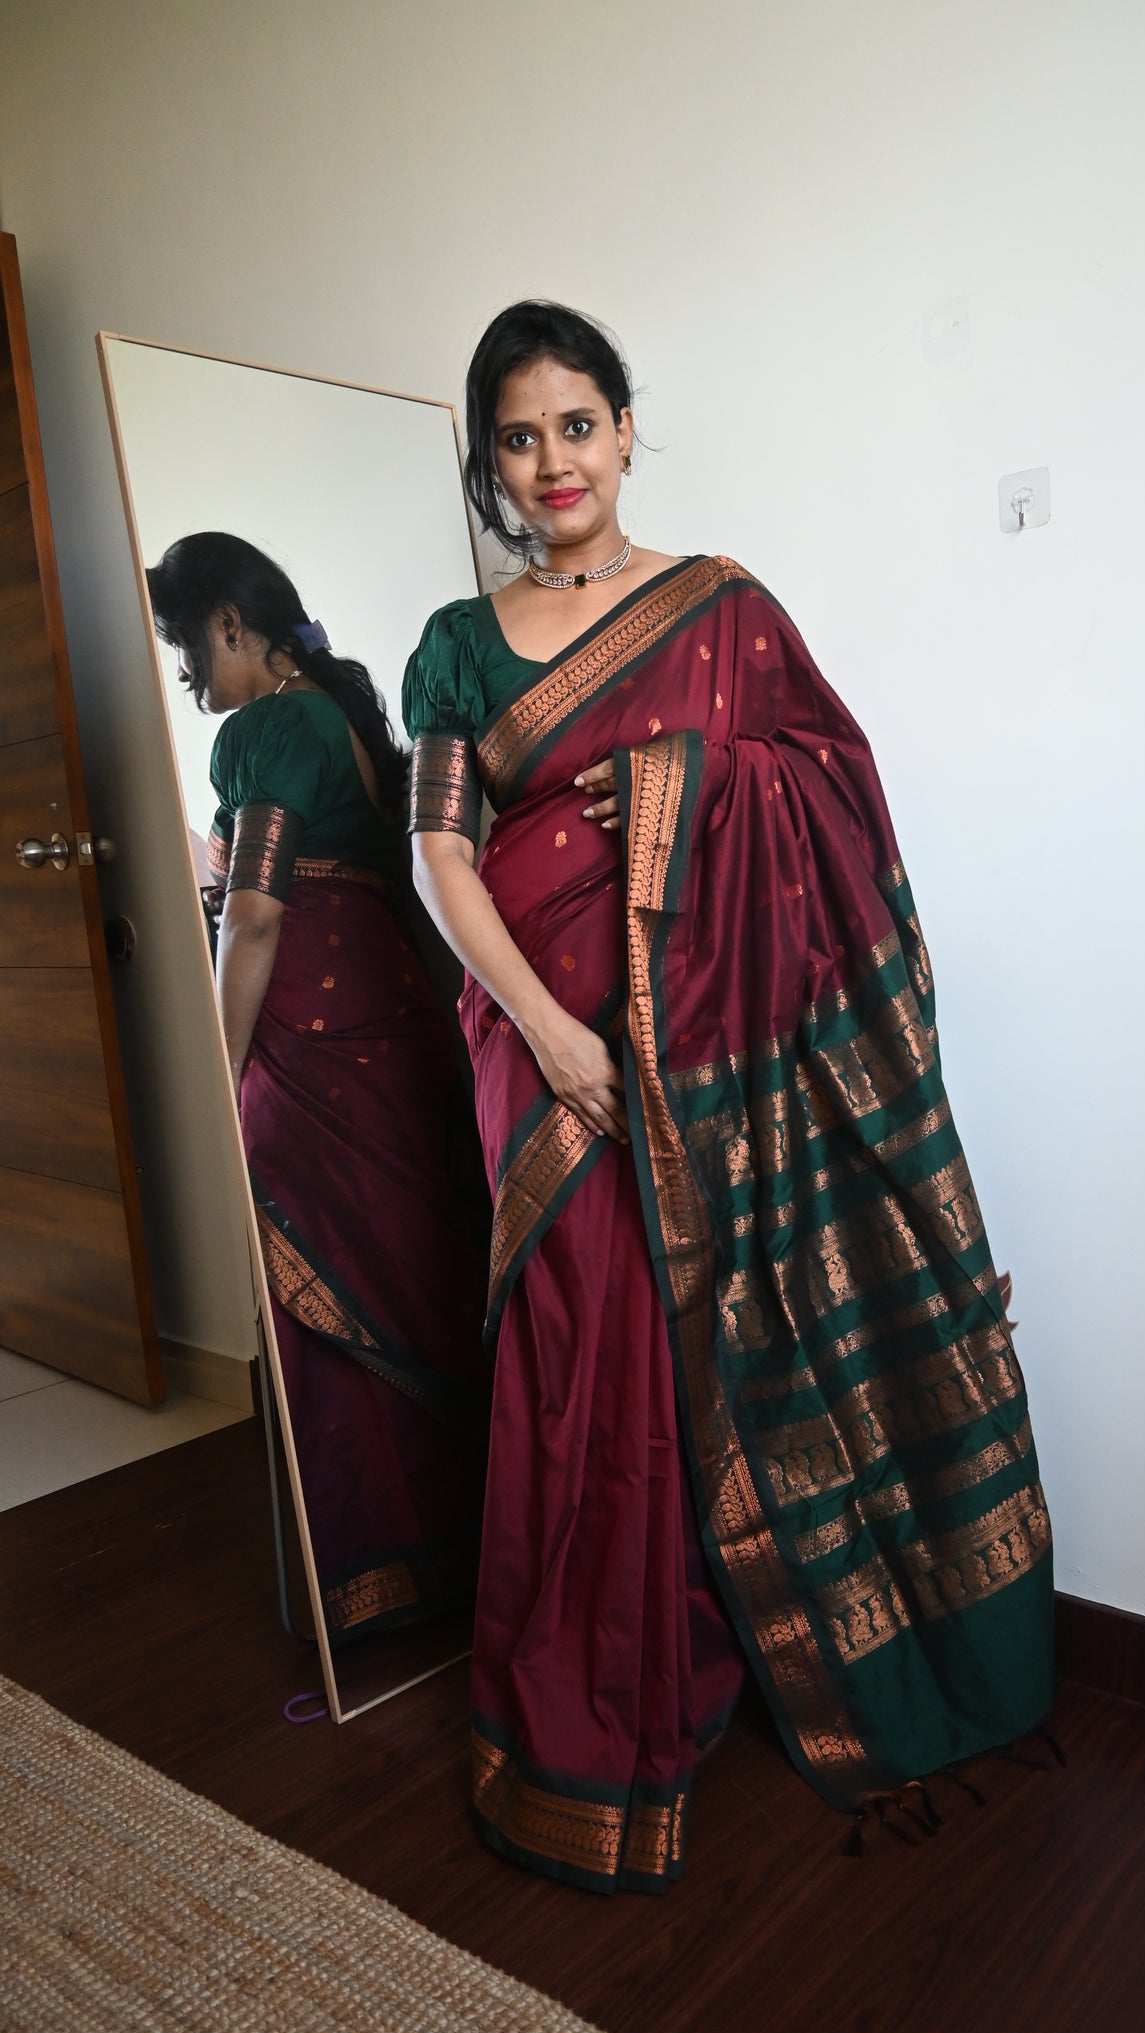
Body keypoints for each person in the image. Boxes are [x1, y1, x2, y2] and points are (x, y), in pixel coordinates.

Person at [404, 303, 1053, 1893]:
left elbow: (826, 782)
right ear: (489, 461)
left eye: (576, 424)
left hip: (712, 1063)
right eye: (517, 436)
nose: (552, 461)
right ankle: (586, 1706)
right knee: (576, 1348)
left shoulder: (724, 609)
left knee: (702, 1333)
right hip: (547, 1048)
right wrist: (551, 1029)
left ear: (626, 432)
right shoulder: (459, 640)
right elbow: (436, 853)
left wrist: (682, 796)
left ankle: (709, 1646)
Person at [149, 533, 483, 1644]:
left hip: (308, 1026)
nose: (194, 681)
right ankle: (453, 1557)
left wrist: (217, 1063)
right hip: (389, 1017)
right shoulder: (353, 721)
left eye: (191, 653)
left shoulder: (260, 730)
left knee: (318, 1284)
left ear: (232, 625)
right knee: (412, 1276)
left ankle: (372, 1579)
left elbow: (254, 915)